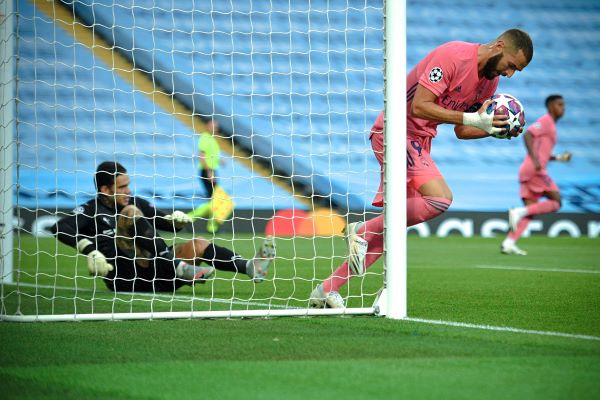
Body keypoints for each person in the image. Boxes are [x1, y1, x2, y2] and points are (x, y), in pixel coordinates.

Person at [310, 28, 534, 308]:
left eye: (516, 71)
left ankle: (327, 289)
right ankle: (362, 229)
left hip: (419, 141)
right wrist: (474, 119)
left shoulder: (489, 83)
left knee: (392, 227)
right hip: (394, 130)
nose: (509, 74)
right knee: (439, 198)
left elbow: (463, 130)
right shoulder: (453, 56)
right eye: (511, 65)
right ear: (499, 46)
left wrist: (492, 129)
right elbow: (419, 106)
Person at [52, 161, 275, 293]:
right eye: (122, 187)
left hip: (156, 272)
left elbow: (163, 223)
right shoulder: (91, 209)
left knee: (198, 244)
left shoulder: (135, 202)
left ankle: (250, 267)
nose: (128, 191)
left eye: (129, 185)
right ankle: (177, 266)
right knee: (130, 215)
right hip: (124, 277)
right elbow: (59, 228)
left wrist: (175, 221)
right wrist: (91, 251)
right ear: (105, 190)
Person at [501, 95, 571, 255]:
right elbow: (528, 135)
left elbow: (544, 153)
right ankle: (518, 212)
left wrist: (559, 157)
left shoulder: (551, 125)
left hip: (529, 169)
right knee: (557, 201)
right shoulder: (546, 121)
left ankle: (508, 243)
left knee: (531, 211)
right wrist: (535, 160)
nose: (563, 108)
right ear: (551, 106)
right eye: (560, 104)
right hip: (535, 170)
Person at [187, 119, 234, 233]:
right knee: (215, 200)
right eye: (213, 125)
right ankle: (190, 218)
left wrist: (220, 160)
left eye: (216, 125)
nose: (215, 127)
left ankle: (206, 225)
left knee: (214, 200)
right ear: (207, 125)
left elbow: (211, 155)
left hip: (212, 170)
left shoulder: (212, 139)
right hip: (207, 171)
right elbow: (202, 156)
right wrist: (209, 172)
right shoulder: (205, 137)